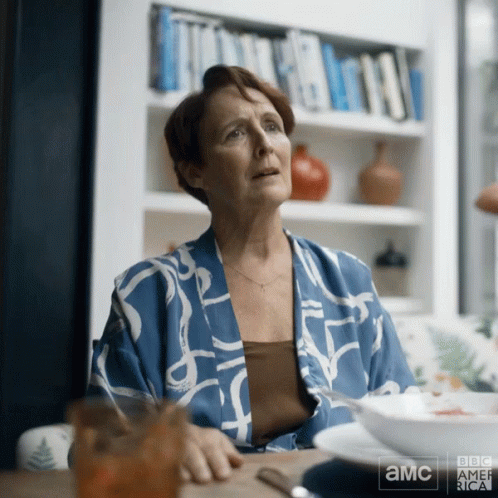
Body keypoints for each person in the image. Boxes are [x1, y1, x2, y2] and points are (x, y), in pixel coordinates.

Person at [88, 65, 418, 483]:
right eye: (236, 134)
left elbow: (406, 420)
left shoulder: (348, 281)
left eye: (272, 126)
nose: (265, 145)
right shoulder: (147, 294)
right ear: (195, 171)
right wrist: (162, 440)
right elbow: (96, 444)